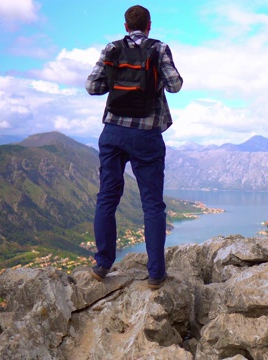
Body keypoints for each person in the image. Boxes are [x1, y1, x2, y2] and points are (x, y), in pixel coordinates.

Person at [85, 5, 182, 289]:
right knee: (152, 204)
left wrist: (118, 83)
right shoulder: (159, 49)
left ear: (126, 26)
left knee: (107, 197)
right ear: (149, 25)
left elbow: (92, 86)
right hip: (146, 134)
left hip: (113, 133)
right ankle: (155, 274)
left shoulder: (111, 49)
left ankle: (102, 264)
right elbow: (175, 85)